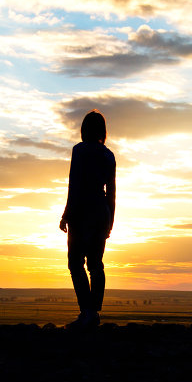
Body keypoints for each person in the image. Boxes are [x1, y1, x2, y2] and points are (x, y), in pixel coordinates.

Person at [59, 109, 116, 329]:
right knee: (95, 264)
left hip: (82, 209)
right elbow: (111, 191)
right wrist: (110, 220)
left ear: (84, 130)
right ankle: (94, 313)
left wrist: (66, 214)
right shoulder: (108, 154)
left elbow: (74, 185)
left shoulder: (79, 150)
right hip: (101, 210)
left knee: (75, 262)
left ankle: (87, 312)